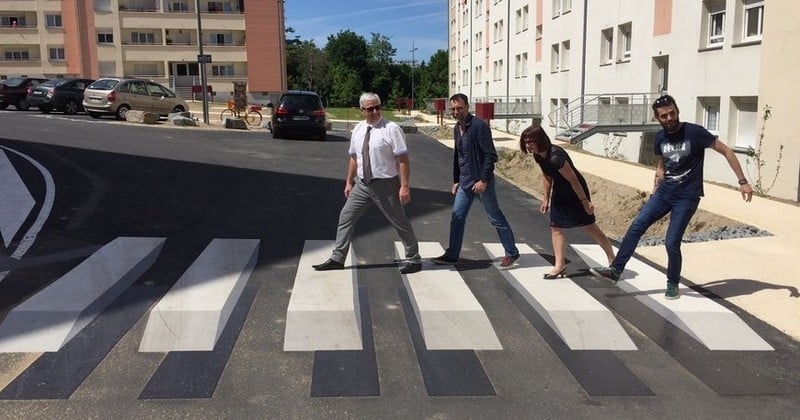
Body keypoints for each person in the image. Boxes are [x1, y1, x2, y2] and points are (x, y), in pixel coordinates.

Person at [590, 94, 753, 299]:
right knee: (636, 227)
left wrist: (743, 182)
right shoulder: (660, 138)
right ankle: (616, 270)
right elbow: (662, 163)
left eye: (672, 113)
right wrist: (657, 179)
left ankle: (673, 283)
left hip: (687, 197)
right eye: (664, 116)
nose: (669, 118)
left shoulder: (694, 132)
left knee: (671, 242)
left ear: (677, 111)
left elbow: (726, 151)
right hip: (664, 193)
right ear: (658, 118)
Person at [313, 92, 422, 274]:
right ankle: (338, 258)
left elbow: (403, 159)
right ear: (362, 110)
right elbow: (355, 158)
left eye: (377, 107)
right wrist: (349, 182)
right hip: (363, 184)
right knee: (345, 217)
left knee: (399, 221)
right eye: (370, 109)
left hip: (386, 185)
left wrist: (404, 186)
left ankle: (414, 258)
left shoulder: (391, 129)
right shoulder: (358, 129)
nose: (374, 111)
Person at [432, 93, 520, 268]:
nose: (456, 112)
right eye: (453, 109)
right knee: (457, 217)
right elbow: (459, 156)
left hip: (481, 182)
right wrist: (456, 180)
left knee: (495, 217)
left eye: (460, 108)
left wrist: (484, 180)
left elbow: (490, 155)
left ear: (467, 107)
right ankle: (452, 254)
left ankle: (511, 252)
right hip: (464, 182)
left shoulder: (479, 126)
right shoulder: (457, 128)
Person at [520, 125, 615, 278]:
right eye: (525, 142)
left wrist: (585, 203)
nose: (527, 145)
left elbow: (573, 180)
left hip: (575, 192)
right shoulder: (538, 155)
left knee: (590, 227)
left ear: (539, 140)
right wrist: (546, 198)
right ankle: (559, 265)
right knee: (556, 227)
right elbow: (547, 176)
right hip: (560, 191)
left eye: (530, 141)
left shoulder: (556, 157)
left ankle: (612, 260)